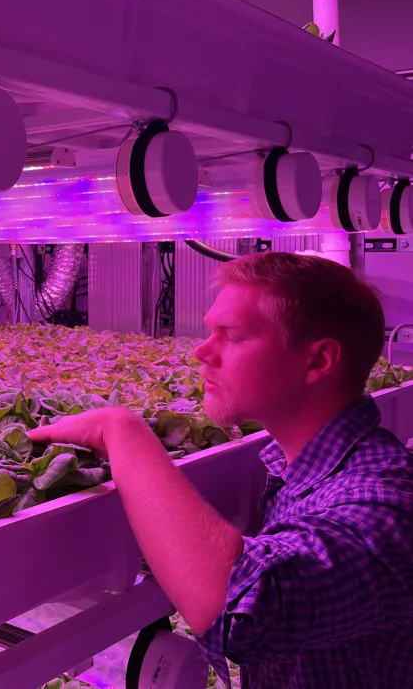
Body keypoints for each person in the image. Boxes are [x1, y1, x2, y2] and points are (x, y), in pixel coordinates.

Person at [27, 252, 413, 688]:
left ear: (318, 361)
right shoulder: (297, 468)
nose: (202, 351)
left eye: (233, 336)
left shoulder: (385, 501)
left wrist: (121, 430)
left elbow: (236, 608)